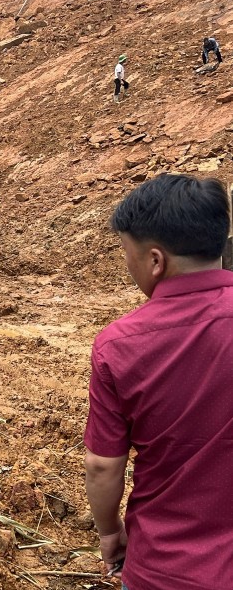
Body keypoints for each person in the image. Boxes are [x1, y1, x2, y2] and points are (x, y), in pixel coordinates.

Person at [83, 173, 233, 590]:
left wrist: (110, 534)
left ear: (154, 260)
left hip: (166, 568)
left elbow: (102, 465)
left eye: (126, 255)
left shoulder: (119, 346)